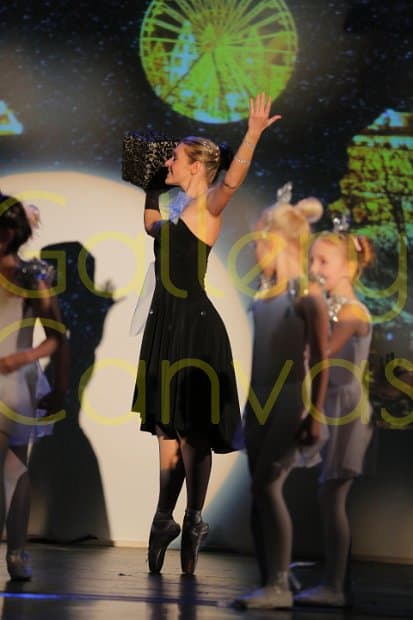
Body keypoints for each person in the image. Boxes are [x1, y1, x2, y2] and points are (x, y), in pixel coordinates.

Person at [131, 93, 282, 575]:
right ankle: (164, 518)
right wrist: (150, 186)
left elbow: (232, 181)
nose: (168, 161)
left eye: (174, 157)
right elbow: (151, 226)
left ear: (196, 167)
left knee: (191, 432)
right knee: (164, 428)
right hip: (166, 324)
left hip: (195, 328)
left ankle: (193, 518)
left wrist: (252, 133)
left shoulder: (206, 207)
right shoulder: (176, 212)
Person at [233, 192, 330, 609]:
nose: (254, 251)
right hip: (259, 399)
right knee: (259, 493)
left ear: (279, 241)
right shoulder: (265, 293)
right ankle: (270, 579)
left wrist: (315, 414)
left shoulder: (306, 295)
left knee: (267, 486)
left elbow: (321, 360)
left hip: (290, 398)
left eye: (259, 243)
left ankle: (278, 584)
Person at [295, 221, 374, 607]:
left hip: (346, 411)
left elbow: (321, 354)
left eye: (323, 261)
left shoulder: (352, 312)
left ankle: (335, 585)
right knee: (327, 497)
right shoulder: (338, 309)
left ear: (348, 267)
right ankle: (334, 579)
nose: (315, 268)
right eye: (312, 260)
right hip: (334, 404)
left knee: (332, 498)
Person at [0, 193, 68, 580]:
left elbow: (56, 335)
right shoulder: (29, 275)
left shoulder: (30, 276)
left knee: (15, 468)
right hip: (16, 384)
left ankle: (17, 552)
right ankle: (17, 553)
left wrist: (23, 361)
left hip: (12, 382)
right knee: (15, 468)